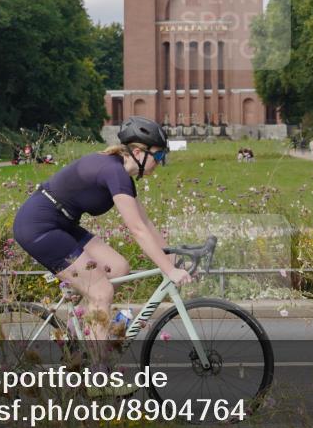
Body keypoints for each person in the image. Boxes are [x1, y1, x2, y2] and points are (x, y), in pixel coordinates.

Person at [11, 116, 191, 383]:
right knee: (101, 291)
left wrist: (173, 259)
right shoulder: (114, 172)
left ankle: (81, 336)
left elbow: (146, 224)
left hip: (62, 223)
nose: (161, 161)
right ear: (138, 152)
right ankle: (98, 376)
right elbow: (136, 230)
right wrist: (167, 270)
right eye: (159, 154)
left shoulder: (122, 176)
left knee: (118, 267)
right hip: (39, 226)